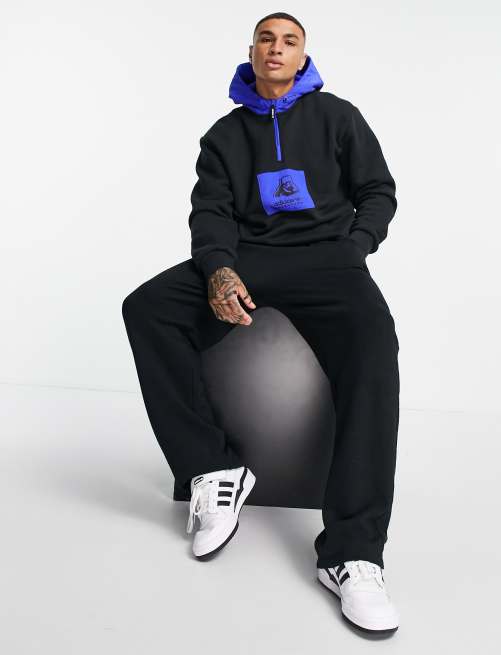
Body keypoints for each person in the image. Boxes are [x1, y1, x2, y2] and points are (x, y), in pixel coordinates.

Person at [122, 12, 401, 635]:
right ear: (251, 52)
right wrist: (220, 269)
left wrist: (354, 248)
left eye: (289, 41)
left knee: (375, 353)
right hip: (250, 261)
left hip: (329, 262)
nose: (277, 49)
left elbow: (378, 191)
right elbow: (211, 214)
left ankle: (353, 554)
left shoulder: (339, 117)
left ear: (304, 56)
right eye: (266, 40)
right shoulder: (224, 135)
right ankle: (213, 466)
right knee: (148, 308)